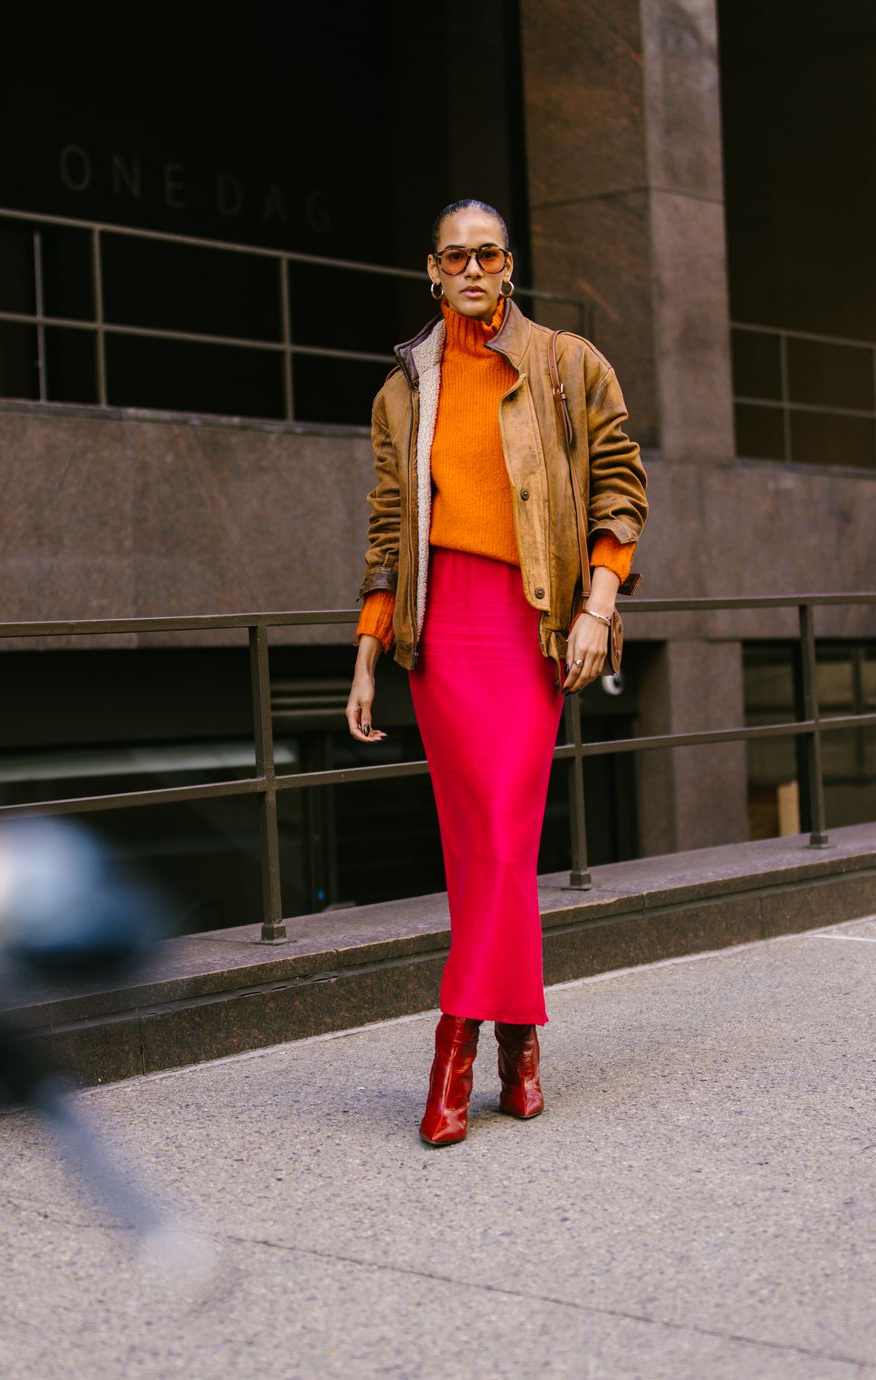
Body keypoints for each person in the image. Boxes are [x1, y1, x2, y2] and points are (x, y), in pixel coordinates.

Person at [345, 199, 648, 1146]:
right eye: (454, 257)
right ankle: (520, 1044)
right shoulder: (403, 390)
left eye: (488, 254)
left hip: (532, 625)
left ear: (509, 265)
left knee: (506, 839)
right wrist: (367, 648)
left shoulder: (566, 361)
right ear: (430, 270)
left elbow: (620, 483)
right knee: (477, 845)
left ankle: (454, 1044)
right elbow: (391, 528)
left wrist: (599, 604)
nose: (471, 270)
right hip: (442, 637)